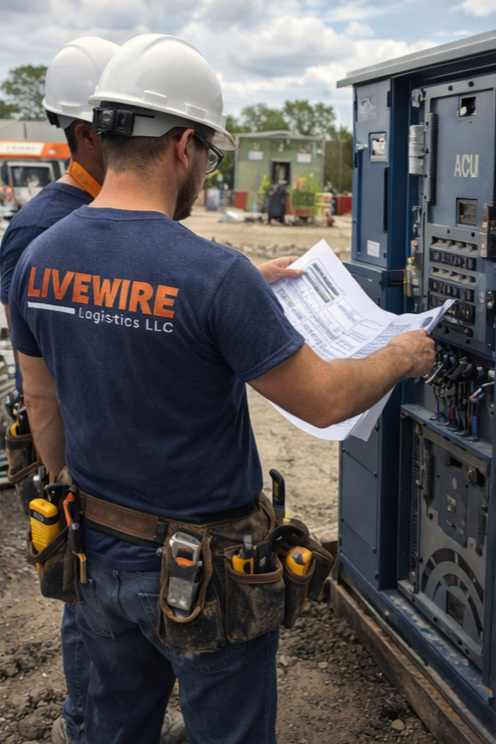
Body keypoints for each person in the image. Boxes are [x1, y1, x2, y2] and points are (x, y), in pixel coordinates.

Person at [8, 34, 435, 744]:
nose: (207, 171)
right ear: (183, 146)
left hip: (96, 556)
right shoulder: (211, 274)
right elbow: (326, 399)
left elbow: (43, 404)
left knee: (115, 728)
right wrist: (401, 354)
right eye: (210, 154)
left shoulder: (41, 257)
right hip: (205, 581)